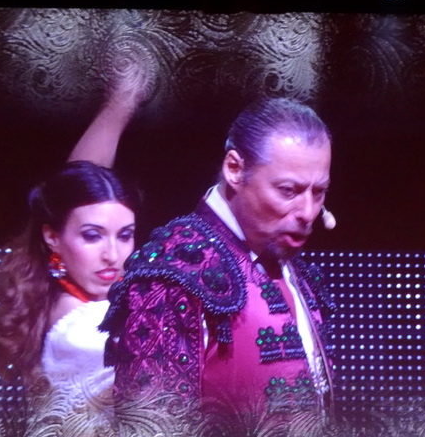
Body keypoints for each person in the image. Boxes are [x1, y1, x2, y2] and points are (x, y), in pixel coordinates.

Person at [103, 97, 335, 418]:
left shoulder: (295, 269)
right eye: (288, 191)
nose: (308, 212)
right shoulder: (172, 271)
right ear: (235, 170)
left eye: (319, 192)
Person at [0, 62, 147, 408]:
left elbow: (74, 194)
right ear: (52, 238)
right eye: (92, 237)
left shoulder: (59, 295)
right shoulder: (82, 333)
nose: (112, 255)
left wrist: (122, 103)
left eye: (125, 235)